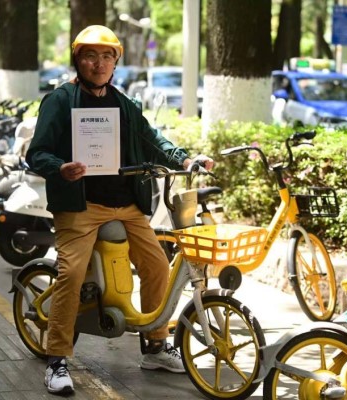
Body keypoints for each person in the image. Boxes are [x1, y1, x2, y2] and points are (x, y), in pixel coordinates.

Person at [26, 25, 213, 395]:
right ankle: (57, 359)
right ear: (77, 60)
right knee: (71, 274)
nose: (99, 64)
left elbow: (152, 139)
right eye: (90, 56)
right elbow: (37, 152)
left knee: (157, 265)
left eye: (107, 57)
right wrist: (60, 168)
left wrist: (184, 158)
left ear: (115, 62)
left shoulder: (124, 104)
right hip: (81, 205)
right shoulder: (60, 101)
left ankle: (155, 346)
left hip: (126, 205)